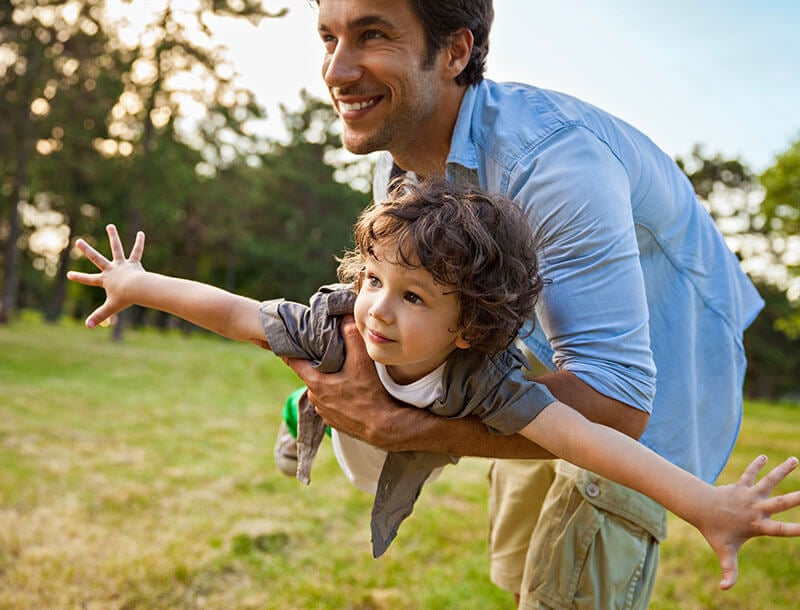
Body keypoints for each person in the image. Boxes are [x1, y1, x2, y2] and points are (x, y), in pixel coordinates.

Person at [68, 178, 800, 592]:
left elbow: (591, 442)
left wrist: (706, 503)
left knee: (380, 466)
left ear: (468, 327)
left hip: (413, 439)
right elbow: (230, 312)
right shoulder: (339, 329)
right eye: (377, 280)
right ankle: (303, 411)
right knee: (324, 403)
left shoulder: (487, 380)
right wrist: (137, 283)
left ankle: (316, 413)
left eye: (414, 296)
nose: (381, 307)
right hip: (347, 403)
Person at [281, 1, 771, 607]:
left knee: (563, 593)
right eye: (328, 38)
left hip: (647, 373)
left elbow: (617, 404)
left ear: (456, 52)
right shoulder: (400, 167)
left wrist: (412, 427)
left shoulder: (554, 163)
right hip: (531, 362)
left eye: (372, 35)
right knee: (517, 573)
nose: (336, 69)